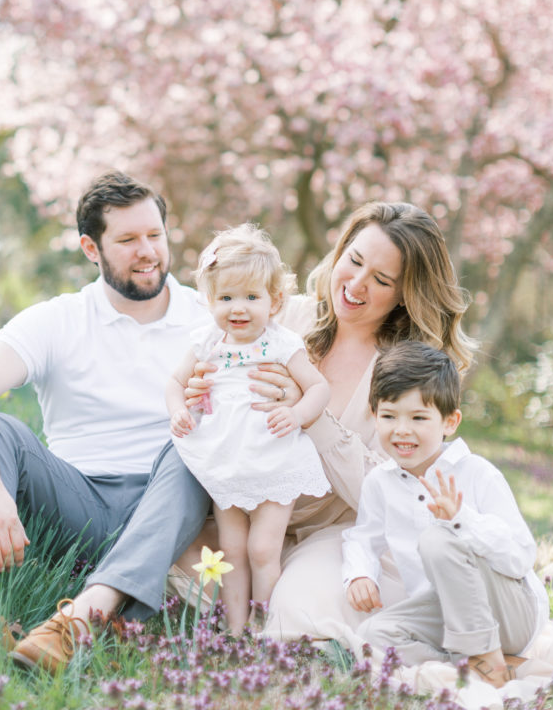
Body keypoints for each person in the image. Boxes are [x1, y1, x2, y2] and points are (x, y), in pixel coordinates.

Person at [0, 170, 228, 674]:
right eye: (128, 240)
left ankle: (77, 624)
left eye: (155, 235)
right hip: (75, 503)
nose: (148, 251)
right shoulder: (59, 319)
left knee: (191, 446)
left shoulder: (212, 320)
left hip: (169, 509)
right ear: (92, 248)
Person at [181, 202, 477, 641]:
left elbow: (391, 490)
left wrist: (311, 415)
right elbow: (216, 367)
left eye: (381, 280)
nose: (356, 284)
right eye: (354, 261)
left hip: (329, 532)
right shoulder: (284, 317)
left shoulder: (406, 372)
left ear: (404, 294)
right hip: (243, 506)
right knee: (180, 564)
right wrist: (199, 394)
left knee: (294, 605)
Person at [341, 340, 549, 688]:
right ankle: (488, 667)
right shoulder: (380, 482)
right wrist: (360, 574)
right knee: (373, 634)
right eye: (389, 416)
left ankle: (486, 656)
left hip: (509, 613)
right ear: (374, 415)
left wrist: (460, 521)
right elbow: (364, 536)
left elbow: (520, 558)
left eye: (419, 418)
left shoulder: (477, 474)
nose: (402, 430)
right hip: (447, 613)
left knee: (438, 537)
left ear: (450, 422)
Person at [166, 224, 330, 633]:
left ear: (274, 302)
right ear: (209, 300)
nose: (238, 308)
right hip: (226, 458)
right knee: (232, 549)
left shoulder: (281, 342)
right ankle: (234, 631)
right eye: (226, 298)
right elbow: (174, 381)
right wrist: (177, 409)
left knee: (261, 547)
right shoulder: (208, 341)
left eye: (251, 297)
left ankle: (268, 628)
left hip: (274, 457)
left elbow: (318, 387)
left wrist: (297, 414)